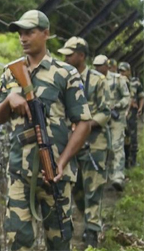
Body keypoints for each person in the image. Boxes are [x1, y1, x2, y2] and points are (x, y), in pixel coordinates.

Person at [0, 10, 91, 251]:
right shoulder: (10, 72)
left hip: (54, 174)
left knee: (59, 241)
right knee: (18, 241)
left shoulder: (65, 73)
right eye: (20, 33)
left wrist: (63, 162)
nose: (23, 38)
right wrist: (10, 99)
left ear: (46, 34)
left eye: (29, 32)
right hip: (19, 171)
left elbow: (84, 123)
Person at [59, 41, 110, 248]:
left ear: (81, 56)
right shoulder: (62, 78)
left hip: (94, 142)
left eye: (69, 55)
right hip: (71, 143)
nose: (65, 59)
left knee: (93, 187)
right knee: (77, 189)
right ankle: (86, 219)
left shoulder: (97, 80)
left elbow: (105, 111)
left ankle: (92, 230)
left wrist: (84, 125)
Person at [99, 59, 131, 191]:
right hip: (101, 118)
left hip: (117, 118)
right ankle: (105, 177)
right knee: (104, 147)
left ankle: (117, 176)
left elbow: (126, 97)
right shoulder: (95, 79)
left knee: (117, 146)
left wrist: (116, 105)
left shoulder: (118, 80)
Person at [119, 62, 143, 168]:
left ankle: (132, 160)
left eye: (123, 71)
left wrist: (140, 108)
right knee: (122, 137)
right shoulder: (117, 81)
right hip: (121, 113)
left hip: (132, 113)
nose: (122, 73)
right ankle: (124, 160)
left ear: (129, 71)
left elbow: (141, 96)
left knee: (133, 137)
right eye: (120, 71)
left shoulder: (135, 82)